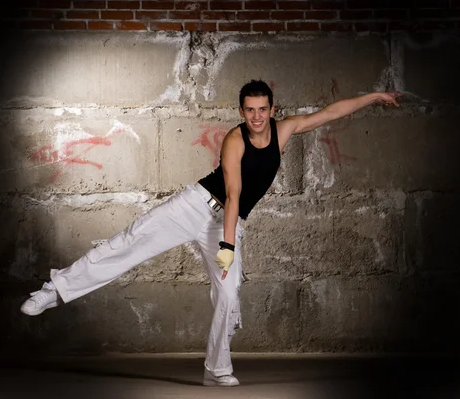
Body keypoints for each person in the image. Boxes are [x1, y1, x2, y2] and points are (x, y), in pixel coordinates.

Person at [20, 80, 402, 387]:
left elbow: (332, 112)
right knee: (128, 243)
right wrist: (227, 245)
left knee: (228, 293)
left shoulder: (285, 131)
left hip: (227, 224)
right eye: (249, 110)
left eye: (262, 109)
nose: (256, 116)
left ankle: (216, 369)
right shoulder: (235, 139)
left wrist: (374, 96)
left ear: (272, 110)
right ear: (242, 112)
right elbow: (234, 194)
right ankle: (55, 291)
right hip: (195, 207)